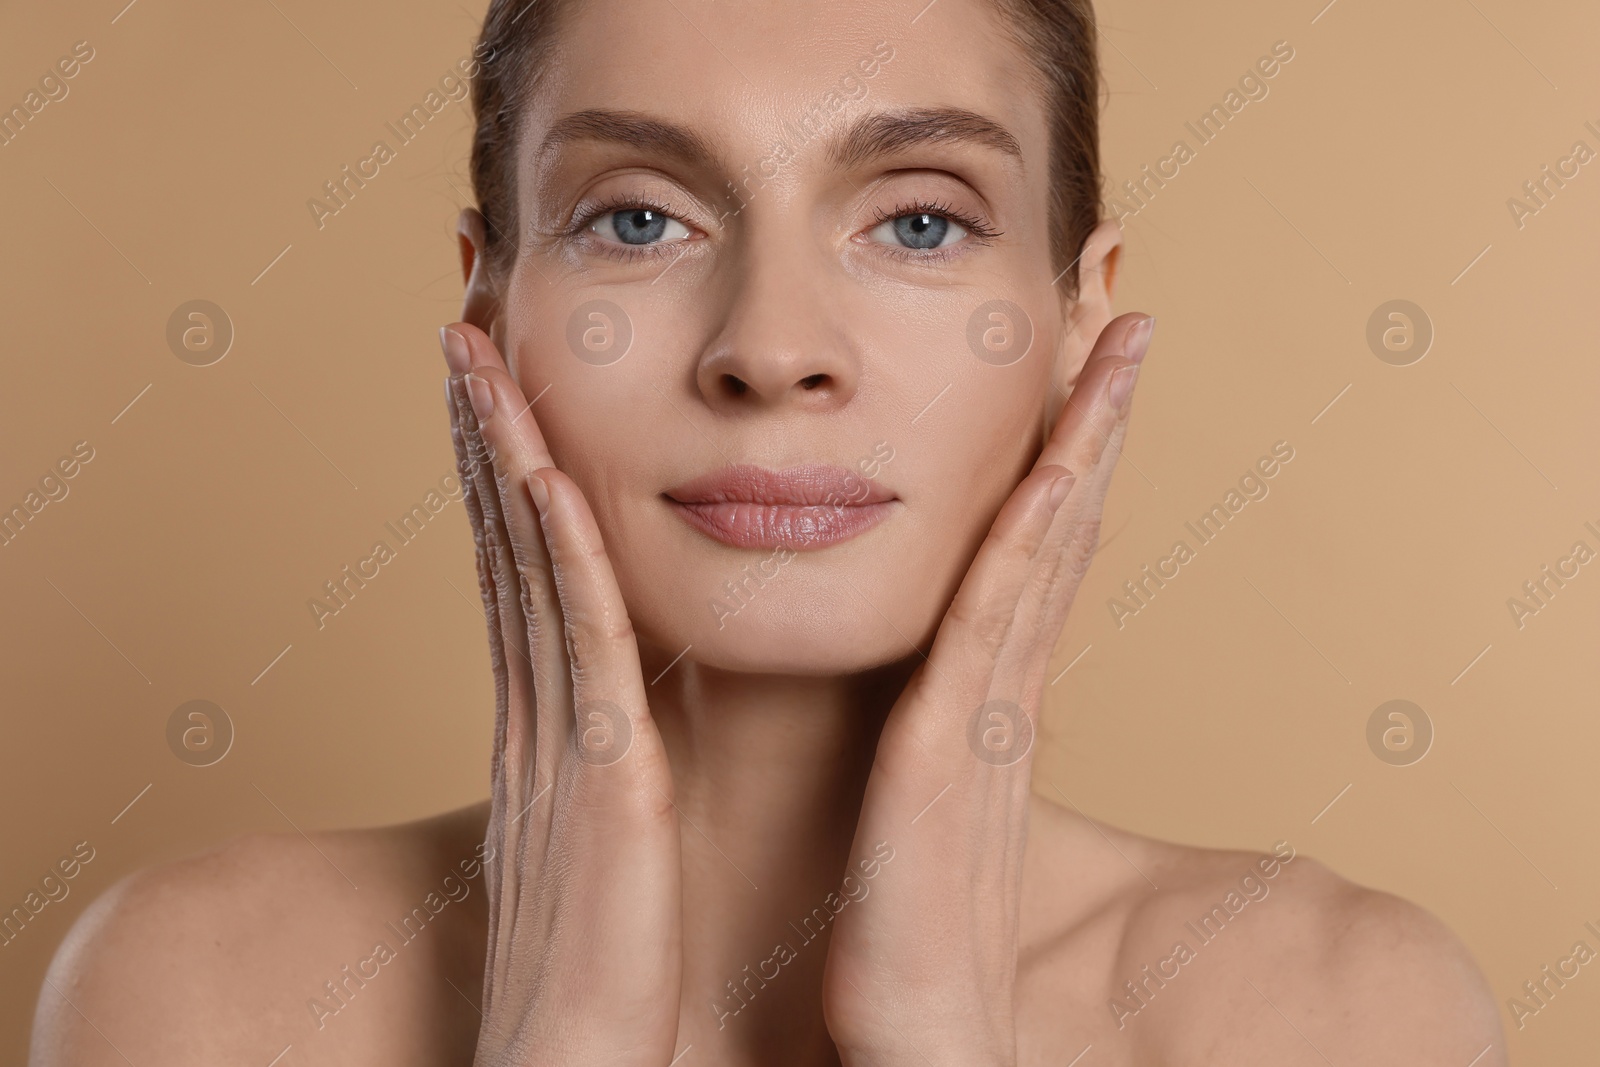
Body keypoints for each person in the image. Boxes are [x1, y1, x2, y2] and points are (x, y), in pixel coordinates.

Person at [30, 0, 1505, 1063]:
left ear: (1076, 315)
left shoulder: (1329, 1010)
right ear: (490, 302)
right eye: (640, 220)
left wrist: (936, 1040)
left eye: (920, 223)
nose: (774, 348)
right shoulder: (204, 993)